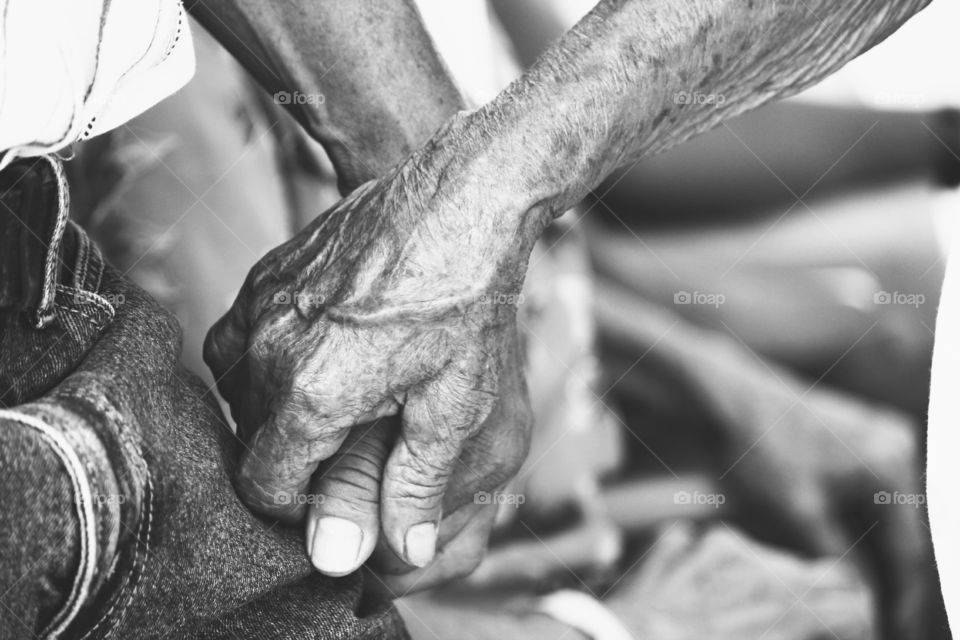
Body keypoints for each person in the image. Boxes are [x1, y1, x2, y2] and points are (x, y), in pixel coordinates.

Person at [1, 0, 948, 637]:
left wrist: (729, 392)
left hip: (603, 522)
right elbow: (297, 517)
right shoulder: (208, 88)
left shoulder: (371, 63)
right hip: (544, 590)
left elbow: (534, 251)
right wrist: (616, 626)